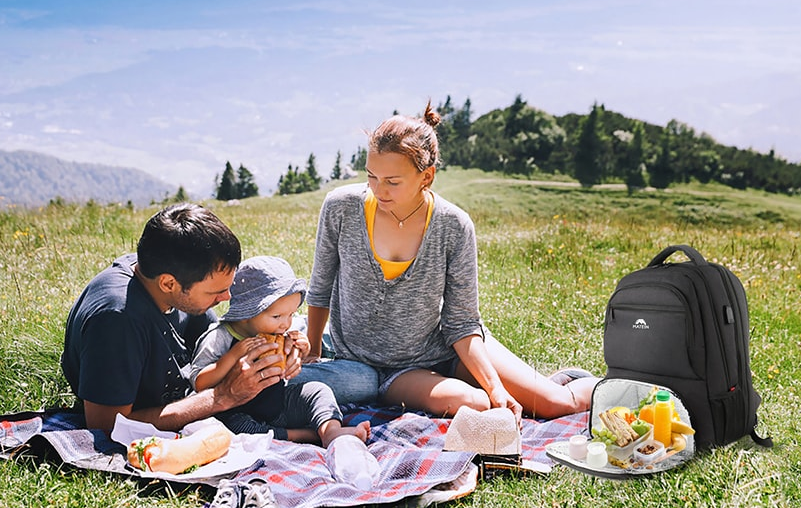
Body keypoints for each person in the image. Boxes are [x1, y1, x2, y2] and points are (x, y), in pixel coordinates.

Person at [298, 102, 599, 421]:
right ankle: (529, 383)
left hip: (452, 347)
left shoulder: (453, 225)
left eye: (392, 181)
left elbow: (462, 323)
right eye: (372, 176)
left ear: (426, 177)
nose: (378, 190)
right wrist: (314, 351)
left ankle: (615, 387)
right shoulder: (341, 207)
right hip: (394, 371)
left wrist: (496, 387)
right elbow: (320, 289)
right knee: (474, 404)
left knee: (555, 405)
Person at [61, 203, 294, 433]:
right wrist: (223, 396)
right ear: (168, 283)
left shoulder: (167, 271)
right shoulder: (117, 321)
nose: (226, 297)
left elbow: (219, 344)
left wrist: (279, 351)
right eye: (215, 292)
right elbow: (106, 424)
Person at [189, 256, 370, 447]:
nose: (286, 324)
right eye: (277, 316)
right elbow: (199, 382)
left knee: (318, 390)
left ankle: (330, 431)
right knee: (239, 429)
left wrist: (303, 349)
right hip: (238, 412)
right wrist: (232, 356)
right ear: (246, 314)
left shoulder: (276, 331)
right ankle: (307, 435)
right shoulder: (220, 337)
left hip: (279, 404)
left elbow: (290, 364)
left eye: (291, 314)